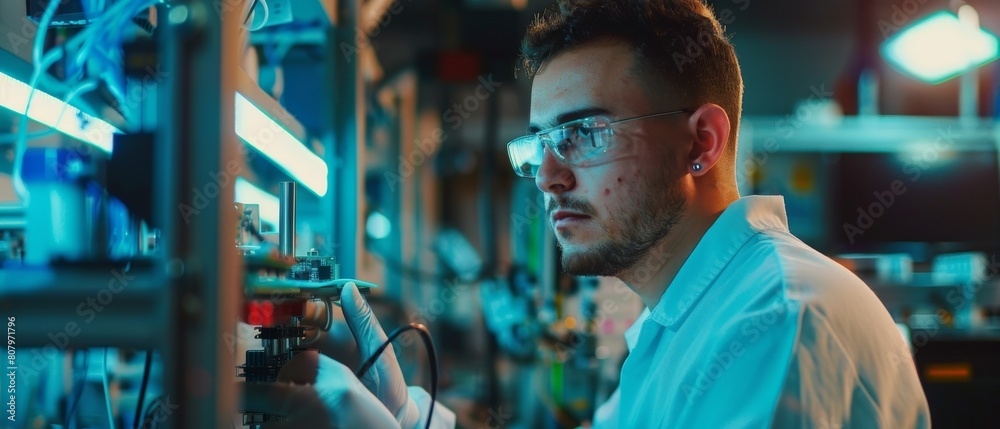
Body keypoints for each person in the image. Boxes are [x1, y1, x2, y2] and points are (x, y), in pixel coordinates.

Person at [245, 0, 931, 427]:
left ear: (702, 142)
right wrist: (413, 418)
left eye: (584, 133)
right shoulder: (679, 320)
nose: (547, 175)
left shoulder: (774, 320)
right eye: (539, 141)